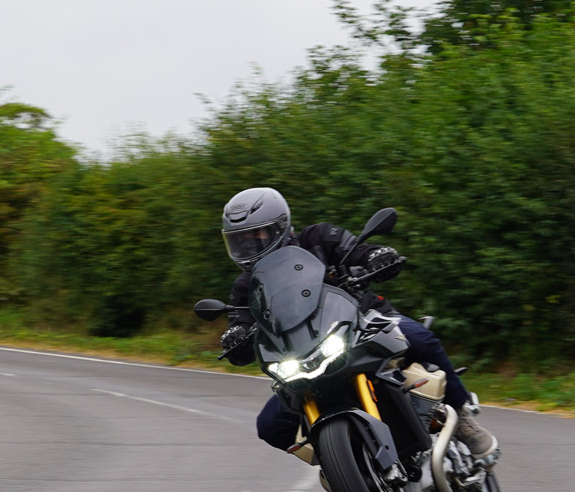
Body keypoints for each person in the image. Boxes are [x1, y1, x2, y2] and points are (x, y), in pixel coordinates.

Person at [213, 186, 498, 460]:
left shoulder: (318, 238)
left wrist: (376, 256)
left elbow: (357, 250)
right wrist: (236, 336)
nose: (249, 245)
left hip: (365, 322)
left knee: (419, 336)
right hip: (299, 357)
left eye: (256, 235)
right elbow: (241, 320)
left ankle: (461, 417)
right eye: (240, 240)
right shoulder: (247, 286)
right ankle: (338, 459)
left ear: (280, 227)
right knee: (270, 426)